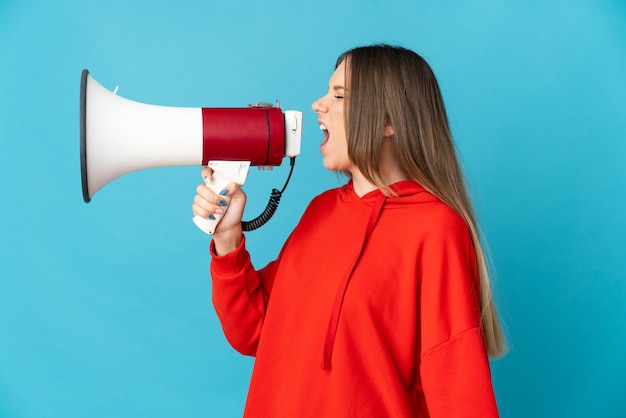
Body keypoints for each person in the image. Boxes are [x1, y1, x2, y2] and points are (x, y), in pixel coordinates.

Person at [192, 44, 506, 417]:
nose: (317, 104)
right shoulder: (321, 211)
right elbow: (256, 330)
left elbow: (457, 387)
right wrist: (227, 238)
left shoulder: (437, 229)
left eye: (339, 95)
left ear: (389, 122)